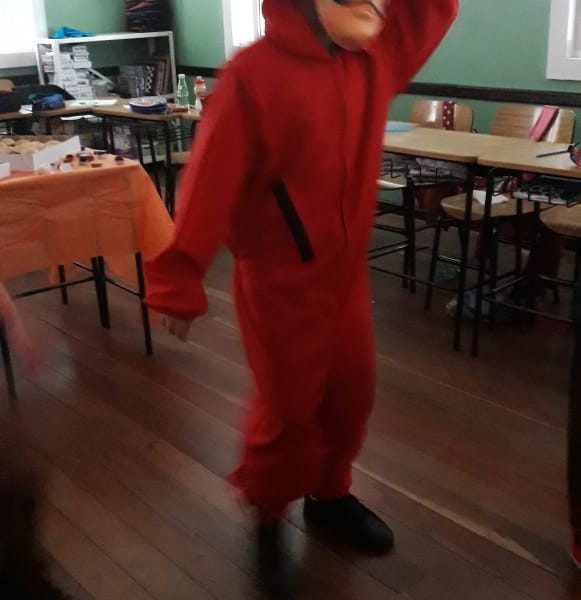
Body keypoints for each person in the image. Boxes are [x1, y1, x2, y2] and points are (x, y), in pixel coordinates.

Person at [145, 0, 457, 595]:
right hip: (279, 284)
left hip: (345, 279)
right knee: (288, 412)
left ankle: (329, 496)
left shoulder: (373, 60)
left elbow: (426, 13)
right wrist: (179, 274)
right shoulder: (253, 76)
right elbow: (210, 176)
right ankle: (268, 519)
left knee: (350, 397)